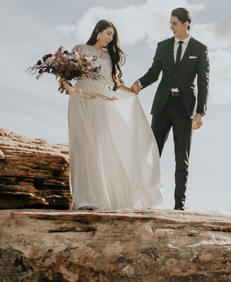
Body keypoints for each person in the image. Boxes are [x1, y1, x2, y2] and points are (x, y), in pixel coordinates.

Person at [64, 19, 162, 210]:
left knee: (99, 147)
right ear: (98, 32)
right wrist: (65, 83)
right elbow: (67, 74)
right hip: (79, 98)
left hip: (100, 100)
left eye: (113, 36)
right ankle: (84, 198)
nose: (110, 38)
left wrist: (132, 90)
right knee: (82, 145)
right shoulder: (80, 48)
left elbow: (114, 83)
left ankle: (99, 198)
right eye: (108, 34)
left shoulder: (109, 57)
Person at [131, 7, 209, 211]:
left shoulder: (200, 49)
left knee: (181, 159)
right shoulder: (163, 46)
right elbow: (154, 72)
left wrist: (200, 111)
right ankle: (143, 200)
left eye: (174, 23)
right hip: (162, 107)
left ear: (185, 24)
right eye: (170, 23)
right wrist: (140, 82)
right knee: (151, 153)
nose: (171, 27)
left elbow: (203, 82)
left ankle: (179, 206)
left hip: (184, 109)